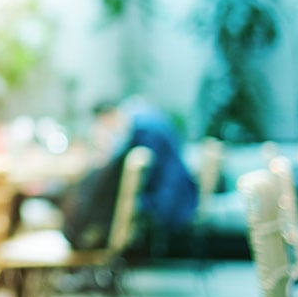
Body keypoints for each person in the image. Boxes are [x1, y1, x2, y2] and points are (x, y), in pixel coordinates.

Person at [63, 98, 197, 250]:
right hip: (174, 190)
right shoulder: (142, 117)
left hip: (169, 197)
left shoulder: (143, 130)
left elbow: (125, 174)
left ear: (107, 116)